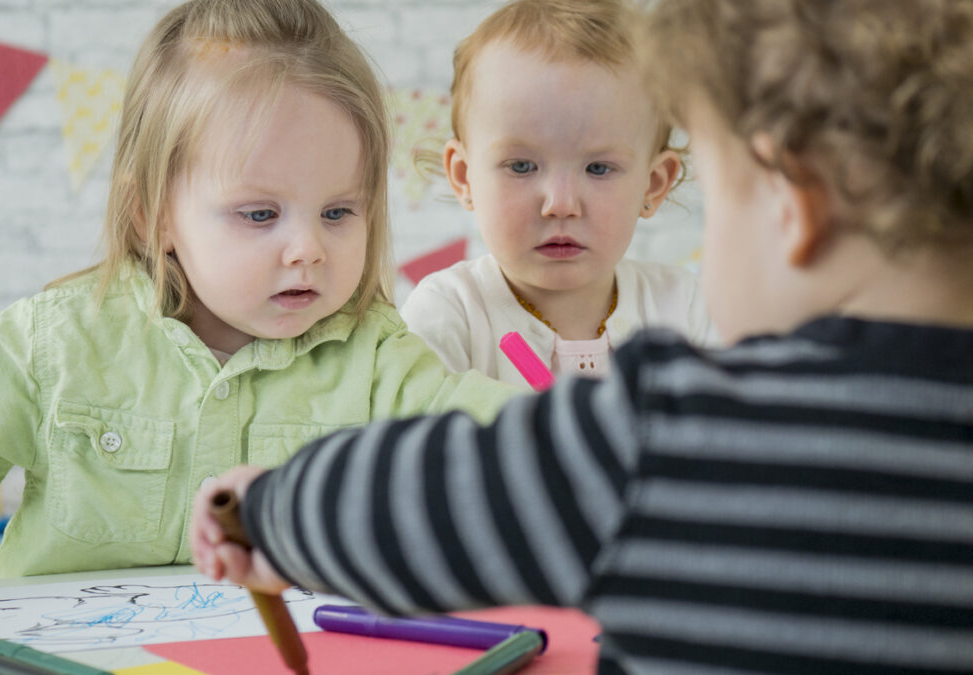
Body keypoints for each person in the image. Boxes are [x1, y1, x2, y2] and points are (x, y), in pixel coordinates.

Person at [191, 0, 973, 672]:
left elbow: (425, 499)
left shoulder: (671, 432)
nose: (560, 201)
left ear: (791, 208)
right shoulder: (451, 308)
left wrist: (268, 511)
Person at [0, 0, 518, 579]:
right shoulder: (59, 342)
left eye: (337, 213)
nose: (309, 249)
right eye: (259, 215)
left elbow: (496, 451)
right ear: (154, 216)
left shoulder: (379, 362)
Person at [400, 0, 715, 388]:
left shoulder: (686, 309)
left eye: (598, 168)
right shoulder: (448, 314)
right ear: (465, 176)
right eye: (521, 166)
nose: (561, 205)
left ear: (653, 184)